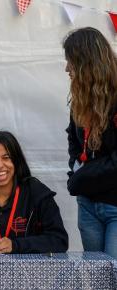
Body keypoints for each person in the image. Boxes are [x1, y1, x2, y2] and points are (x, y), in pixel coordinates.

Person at [63, 27, 117, 258]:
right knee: (96, 276)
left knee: (113, 274)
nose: (67, 68)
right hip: (87, 204)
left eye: (71, 62)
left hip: (115, 205)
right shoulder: (81, 98)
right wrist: (74, 168)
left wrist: (80, 177)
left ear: (87, 62)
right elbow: (73, 139)